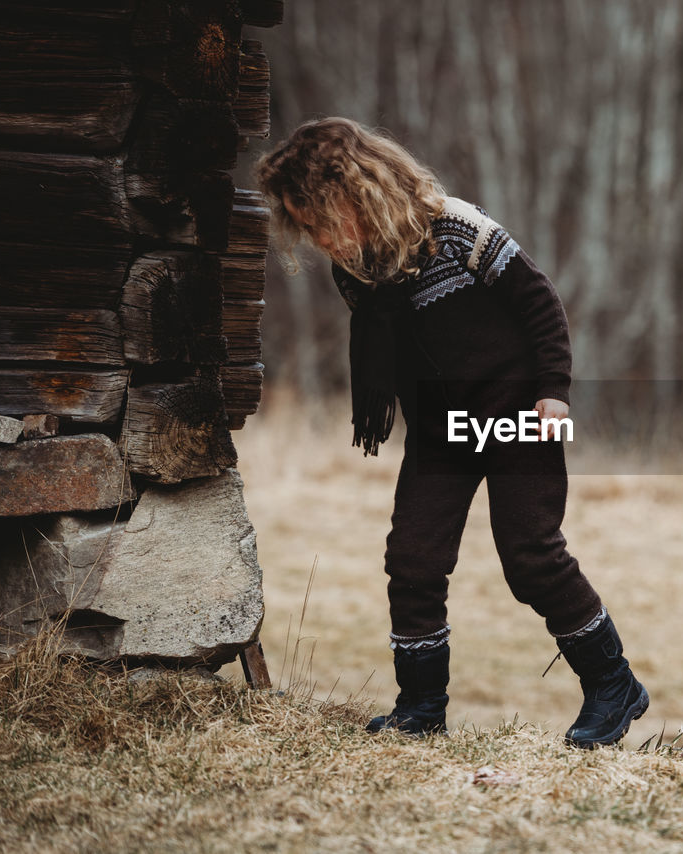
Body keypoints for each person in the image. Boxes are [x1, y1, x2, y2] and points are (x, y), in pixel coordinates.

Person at [255, 117, 648, 748]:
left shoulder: (457, 227)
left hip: (516, 409)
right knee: (412, 558)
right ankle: (421, 706)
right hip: (443, 430)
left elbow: (540, 302)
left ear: (358, 194)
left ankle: (614, 685)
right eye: (306, 226)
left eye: (323, 219)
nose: (319, 238)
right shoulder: (355, 269)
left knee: (531, 556)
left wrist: (553, 391)